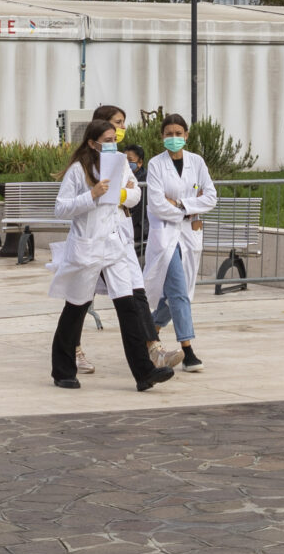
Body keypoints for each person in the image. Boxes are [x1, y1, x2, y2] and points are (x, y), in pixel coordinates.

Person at [46, 116, 173, 392]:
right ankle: (62, 370)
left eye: (114, 140)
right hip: (88, 246)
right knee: (75, 309)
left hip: (115, 246)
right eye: (106, 141)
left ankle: (144, 373)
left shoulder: (119, 165)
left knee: (128, 308)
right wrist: (91, 194)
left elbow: (135, 194)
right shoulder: (79, 171)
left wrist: (122, 196)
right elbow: (61, 208)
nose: (112, 145)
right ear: (92, 143)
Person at [141, 115, 218, 372]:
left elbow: (210, 197)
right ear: (162, 136)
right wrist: (189, 208)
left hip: (189, 235)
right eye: (168, 133)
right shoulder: (155, 164)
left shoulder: (196, 162)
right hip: (165, 236)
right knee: (178, 291)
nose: (173, 138)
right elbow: (156, 204)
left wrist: (181, 205)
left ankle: (148, 334)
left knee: (175, 293)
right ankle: (188, 350)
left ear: (186, 135)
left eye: (178, 133)